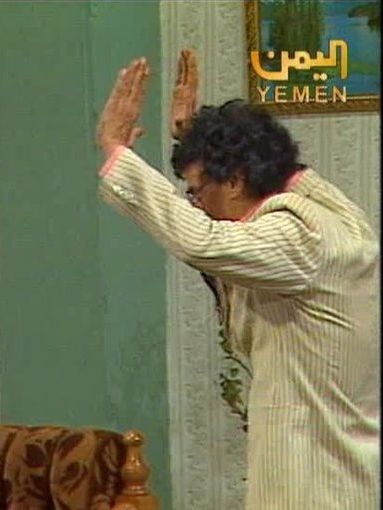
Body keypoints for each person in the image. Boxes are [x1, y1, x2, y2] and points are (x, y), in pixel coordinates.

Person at [96, 53, 380, 509]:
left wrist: (116, 151)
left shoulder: (300, 236)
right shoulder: (333, 216)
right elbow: (272, 194)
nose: (196, 205)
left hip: (317, 485)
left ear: (235, 181)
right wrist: (199, 141)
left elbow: (204, 242)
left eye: (197, 192)